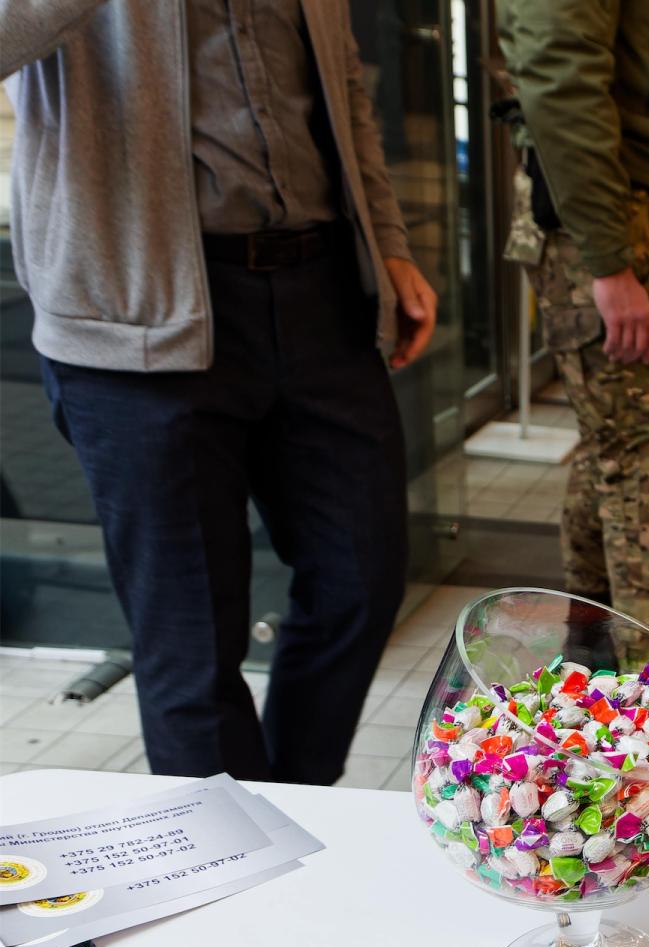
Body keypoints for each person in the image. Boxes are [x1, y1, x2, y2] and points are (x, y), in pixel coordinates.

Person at [3, 0, 437, 784]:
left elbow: (343, 87)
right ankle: (233, 851)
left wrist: (389, 244)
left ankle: (296, 808)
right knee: (191, 642)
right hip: (135, 314)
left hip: (321, 295)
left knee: (360, 580)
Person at [498, 0, 649, 651]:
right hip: (616, 221)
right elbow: (559, 75)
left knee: (616, 447)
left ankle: (595, 653)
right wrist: (609, 261)